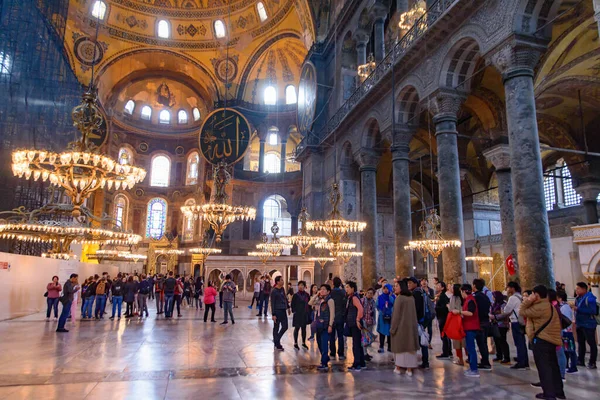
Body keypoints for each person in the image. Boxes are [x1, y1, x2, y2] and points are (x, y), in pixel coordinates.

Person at [520, 285, 565, 400]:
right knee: (553, 366)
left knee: (544, 368)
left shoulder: (540, 307)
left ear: (537, 295)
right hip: (551, 340)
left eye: (532, 294)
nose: (530, 297)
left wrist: (529, 300)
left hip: (542, 340)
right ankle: (558, 392)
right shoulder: (549, 305)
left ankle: (549, 394)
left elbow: (522, 311)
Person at [492, 281, 529, 369]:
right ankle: (524, 361)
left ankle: (521, 363)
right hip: (520, 321)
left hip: (515, 322)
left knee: (519, 343)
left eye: (508, 287)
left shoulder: (513, 298)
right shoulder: (520, 296)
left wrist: (498, 314)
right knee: (522, 343)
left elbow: (506, 310)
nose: (507, 290)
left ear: (512, 288)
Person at [390, 279, 420, 377]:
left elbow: (396, 316)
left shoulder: (399, 298)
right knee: (409, 348)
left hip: (401, 328)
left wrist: (393, 328)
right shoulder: (411, 298)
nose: (395, 288)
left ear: (402, 288)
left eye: (397, 286)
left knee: (400, 349)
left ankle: (398, 367)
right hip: (411, 328)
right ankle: (409, 369)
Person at [451, 283, 480, 377]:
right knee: (469, 347)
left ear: (464, 291)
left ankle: (474, 370)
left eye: (461, 292)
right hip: (467, 326)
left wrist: (459, 312)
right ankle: (472, 368)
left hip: (471, 327)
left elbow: (471, 313)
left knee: (471, 349)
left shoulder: (470, 300)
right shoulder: (467, 300)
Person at [311, 284, 335, 370]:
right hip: (319, 325)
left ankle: (324, 362)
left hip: (325, 325)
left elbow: (332, 314)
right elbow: (310, 303)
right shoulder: (320, 300)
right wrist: (317, 295)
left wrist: (330, 325)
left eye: (324, 289)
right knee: (319, 342)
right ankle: (325, 357)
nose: (322, 291)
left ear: (328, 291)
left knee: (324, 343)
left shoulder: (330, 300)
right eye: (321, 289)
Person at [574, 281, 598, 369]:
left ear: (584, 289)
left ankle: (592, 362)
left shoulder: (590, 298)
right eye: (576, 289)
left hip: (588, 324)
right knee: (581, 343)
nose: (576, 290)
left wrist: (578, 309)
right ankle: (581, 360)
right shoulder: (578, 298)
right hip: (580, 323)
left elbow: (593, 311)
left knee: (591, 343)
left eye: (578, 289)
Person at [407, 277, 429, 369]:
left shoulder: (416, 293)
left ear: (416, 283)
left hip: (419, 320)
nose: (409, 285)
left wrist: (415, 319)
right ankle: (424, 361)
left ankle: (424, 361)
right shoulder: (421, 291)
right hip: (422, 319)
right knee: (422, 340)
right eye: (408, 283)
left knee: (420, 340)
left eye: (411, 283)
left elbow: (416, 308)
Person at [472, 278, 492, 371]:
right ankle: (485, 361)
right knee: (483, 343)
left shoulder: (476, 297)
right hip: (486, 321)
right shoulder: (485, 296)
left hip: (480, 322)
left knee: (481, 344)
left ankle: (485, 362)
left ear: (474, 286)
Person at [345, 281, 365, 371]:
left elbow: (360, 309)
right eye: (346, 287)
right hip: (352, 322)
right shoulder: (351, 297)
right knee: (357, 344)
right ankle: (362, 362)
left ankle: (357, 364)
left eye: (348, 287)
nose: (346, 289)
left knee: (356, 344)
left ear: (353, 288)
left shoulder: (354, 298)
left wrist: (357, 319)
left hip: (355, 323)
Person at [557, 291, 577, 374]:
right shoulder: (564, 306)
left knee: (571, 349)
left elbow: (565, 320)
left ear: (560, 298)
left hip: (567, 331)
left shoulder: (564, 307)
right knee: (566, 350)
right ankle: (566, 365)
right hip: (566, 331)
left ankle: (573, 366)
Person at [490, 291, 510, 364]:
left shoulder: (503, 304)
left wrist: (495, 316)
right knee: (496, 341)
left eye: (493, 296)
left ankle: (506, 357)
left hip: (502, 325)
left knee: (502, 341)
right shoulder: (494, 304)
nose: (492, 297)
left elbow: (504, 314)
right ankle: (499, 355)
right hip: (495, 324)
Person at [329, 277, 347, 360]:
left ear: (333, 283)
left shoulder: (331, 293)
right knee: (340, 336)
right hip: (340, 317)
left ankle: (332, 353)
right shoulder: (343, 292)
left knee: (332, 336)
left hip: (332, 317)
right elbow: (345, 305)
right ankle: (341, 354)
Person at [447, 283, 465, 365]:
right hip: (464, 320)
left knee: (457, 341)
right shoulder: (464, 298)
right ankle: (469, 358)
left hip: (456, 321)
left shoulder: (453, 298)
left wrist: (447, 306)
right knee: (465, 341)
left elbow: (452, 309)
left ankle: (460, 359)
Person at [271, 276, 289, 349]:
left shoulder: (282, 289)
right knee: (276, 327)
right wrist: (273, 314)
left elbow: (285, 298)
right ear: (277, 282)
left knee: (285, 326)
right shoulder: (274, 291)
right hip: (277, 311)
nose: (283, 281)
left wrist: (288, 307)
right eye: (281, 280)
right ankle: (277, 344)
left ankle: (276, 339)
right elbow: (272, 303)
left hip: (283, 310)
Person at [291, 281, 311, 350]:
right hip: (297, 314)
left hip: (304, 314)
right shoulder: (296, 295)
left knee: (304, 329)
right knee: (297, 328)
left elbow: (309, 304)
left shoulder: (307, 295)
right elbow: (292, 304)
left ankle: (303, 343)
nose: (300, 286)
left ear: (304, 286)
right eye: (299, 285)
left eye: (302, 285)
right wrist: (294, 311)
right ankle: (295, 343)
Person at [434, 281, 451, 360]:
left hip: (443, 317)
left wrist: (436, 308)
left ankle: (446, 352)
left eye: (438, 286)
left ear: (442, 288)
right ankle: (448, 351)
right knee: (445, 335)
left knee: (444, 335)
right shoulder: (440, 296)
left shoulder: (443, 297)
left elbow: (445, 307)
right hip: (441, 317)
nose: (437, 287)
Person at [376, 283, 394, 353]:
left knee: (390, 332)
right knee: (382, 332)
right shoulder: (380, 297)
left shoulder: (392, 297)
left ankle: (390, 346)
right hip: (382, 317)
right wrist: (382, 310)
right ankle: (381, 347)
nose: (385, 290)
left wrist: (389, 297)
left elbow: (393, 303)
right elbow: (377, 305)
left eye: (387, 288)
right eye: (384, 288)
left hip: (390, 316)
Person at [361, 288, 376, 361]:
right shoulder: (363, 300)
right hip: (364, 322)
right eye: (368, 293)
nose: (369, 294)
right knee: (365, 338)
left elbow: (373, 312)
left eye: (371, 293)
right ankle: (364, 354)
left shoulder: (373, 301)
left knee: (368, 338)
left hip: (370, 321)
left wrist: (374, 321)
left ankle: (365, 352)